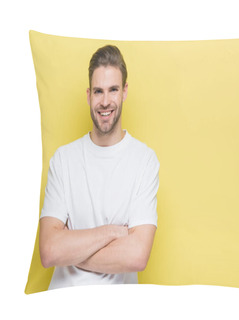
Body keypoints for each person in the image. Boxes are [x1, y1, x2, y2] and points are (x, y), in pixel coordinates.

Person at [39, 45, 160, 290]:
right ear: (88, 95)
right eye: (98, 91)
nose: (105, 102)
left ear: (124, 91)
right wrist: (111, 233)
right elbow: (50, 251)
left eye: (113, 90)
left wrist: (72, 249)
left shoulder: (144, 161)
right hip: (61, 305)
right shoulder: (63, 159)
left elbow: (137, 255)